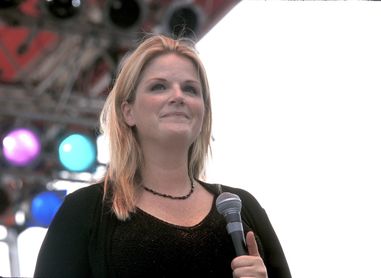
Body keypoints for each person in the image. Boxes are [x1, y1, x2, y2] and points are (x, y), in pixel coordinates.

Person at [34, 34, 291, 278]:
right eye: (159, 87)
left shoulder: (242, 208)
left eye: (190, 89)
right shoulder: (85, 211)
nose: (178, 96)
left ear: (203, 113)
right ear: (128, 112)